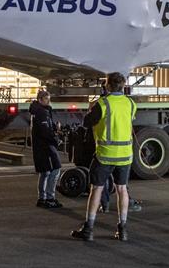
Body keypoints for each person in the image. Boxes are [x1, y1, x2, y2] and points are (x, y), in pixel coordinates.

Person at [72, 72, 136, 242]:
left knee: (97, 189)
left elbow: (87, 122)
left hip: (105, 154)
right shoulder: (130, 103)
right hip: (125, 155)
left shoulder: (102, 104)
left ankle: (89, 228)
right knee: (122, 189)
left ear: (107, 86)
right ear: (123, 86)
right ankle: (123, 229)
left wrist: (91, 109)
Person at [30, 89, 63, 209]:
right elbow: (45, 131)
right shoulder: (42, 112)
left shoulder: (40, 111)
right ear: (40, 100)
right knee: (55, 169)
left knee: (45, 172)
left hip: (42, 146)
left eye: (49, 98)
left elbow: (46, 129)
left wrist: (54, 128)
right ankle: (49, 197)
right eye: (46, 99)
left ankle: (42, 198)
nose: (48, 101)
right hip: (46, 147)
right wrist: (56, 139)